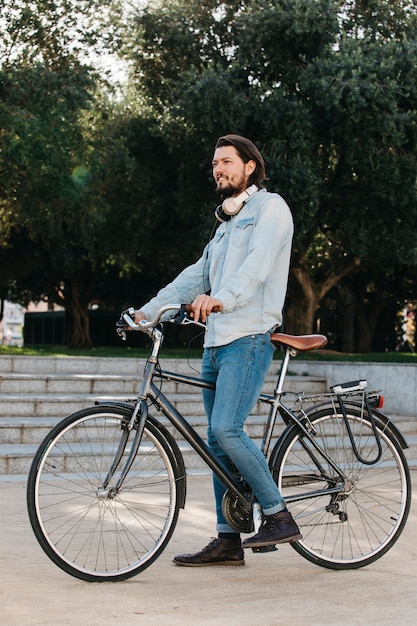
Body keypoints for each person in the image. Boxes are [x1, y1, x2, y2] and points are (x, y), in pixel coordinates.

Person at [134, 134, 301, 567]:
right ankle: (229, 540)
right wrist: (146, 313)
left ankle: (280, 515)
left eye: (226, 162)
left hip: (247, 338)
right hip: (215, 343)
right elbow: (195, 275)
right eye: (214, 164)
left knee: (227, 428)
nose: (218, 170)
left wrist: (221, 297)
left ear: (250, 167)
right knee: (215, 443)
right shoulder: (226, 224)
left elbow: (258, 266)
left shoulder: (271, 209)